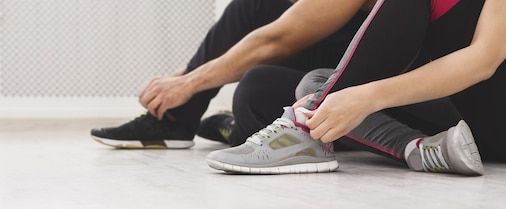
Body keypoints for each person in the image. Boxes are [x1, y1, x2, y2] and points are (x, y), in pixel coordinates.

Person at [206, 0, 505, 176]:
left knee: (330, 95)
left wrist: (366, 97)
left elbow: (483, 60)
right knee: (287, 84)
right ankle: (423, 149)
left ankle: (307, 127)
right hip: (464, 117)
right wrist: (346, 94)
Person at [90, 0, 370, 149]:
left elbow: (279, 41)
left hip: (366, 93)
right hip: (338, 60)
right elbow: (292, 19)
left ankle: (234, 128)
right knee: (253, 7)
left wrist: (188, 82)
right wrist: (188, 74)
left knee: (256, 87)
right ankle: (176, 120)